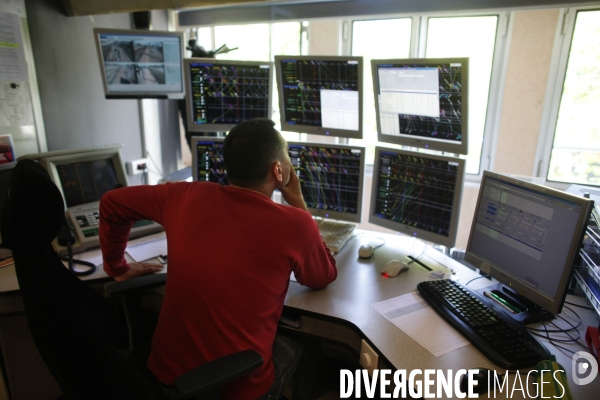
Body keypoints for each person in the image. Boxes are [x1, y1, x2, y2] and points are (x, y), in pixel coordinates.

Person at [99, 118, 337, 399]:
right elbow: (322, 277)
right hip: (235, 389)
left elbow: (111, 203)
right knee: (307, 340)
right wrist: (298, 201)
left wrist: (117, 266)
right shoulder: (295, 224)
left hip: (164, 377)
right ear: (278, 170)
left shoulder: (184, 195)